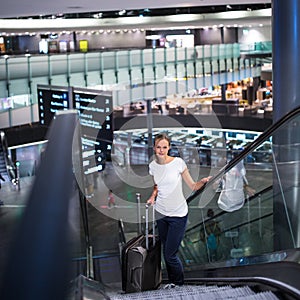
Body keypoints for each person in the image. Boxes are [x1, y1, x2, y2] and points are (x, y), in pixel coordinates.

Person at [146, 133, 211, 288]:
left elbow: (193, 186)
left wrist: (202, 182)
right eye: (158, 147)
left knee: (170, 254)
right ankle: (172, 283)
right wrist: (152, 197)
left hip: (178, 215)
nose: (161, 150)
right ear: (154, 148)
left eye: (164, 147)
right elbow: (157, 186)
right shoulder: (153, 166)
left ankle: (179, 284)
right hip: (161, 213)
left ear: (169, 148)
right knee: (165, 252)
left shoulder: (178, 163)